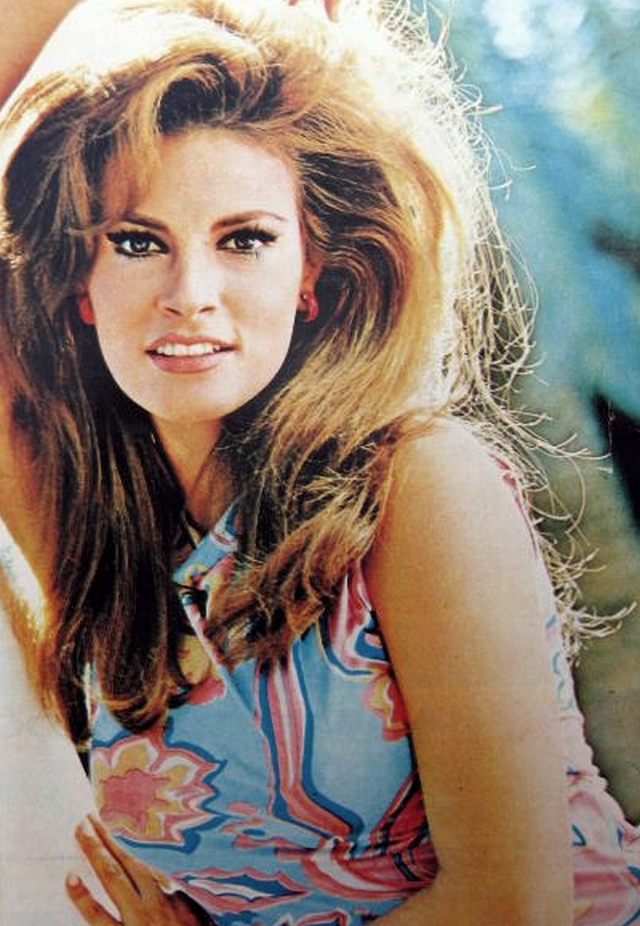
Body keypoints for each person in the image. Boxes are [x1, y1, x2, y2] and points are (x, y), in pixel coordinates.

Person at [0, 0, 638, 924]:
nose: (190, 295)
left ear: (312, 275)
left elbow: (514, 905)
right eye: (137, 242)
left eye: (244, 240)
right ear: (78, 283)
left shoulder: (416, 486)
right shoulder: (98, 539)